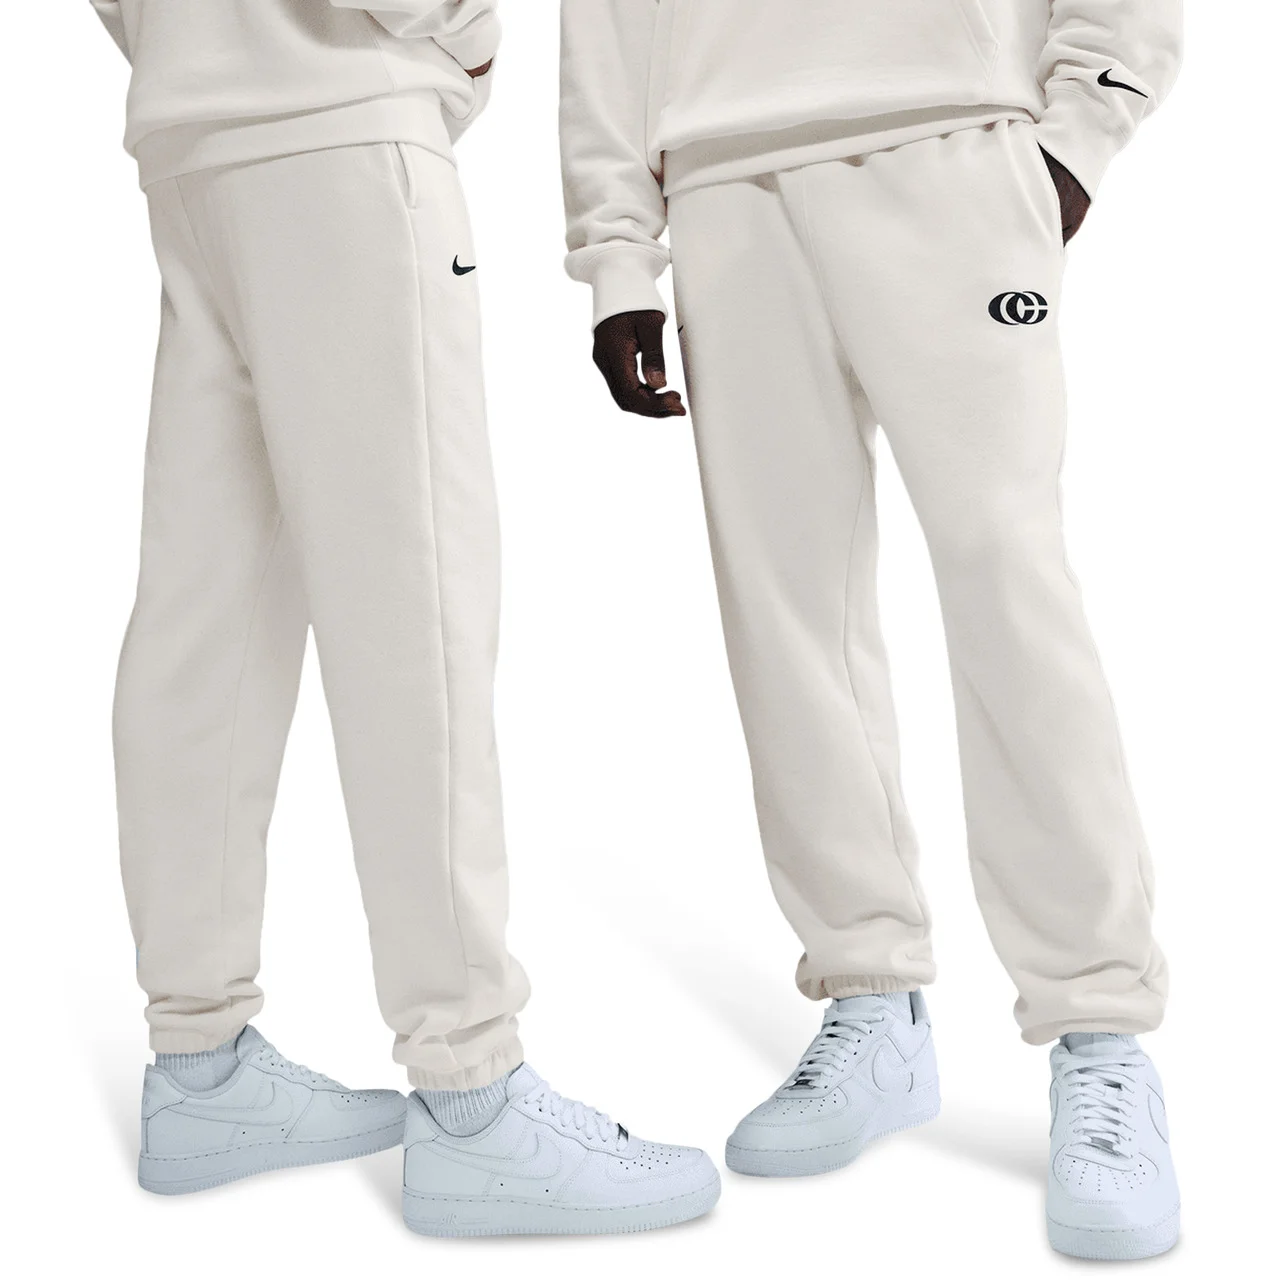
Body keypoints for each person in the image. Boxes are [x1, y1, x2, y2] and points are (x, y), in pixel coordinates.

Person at [560, 0, 1181, 1260]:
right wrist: (615, 246)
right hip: (721, 175)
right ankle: (869, 993)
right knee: (784, 605)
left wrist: (1079, 130)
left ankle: (1098, 1028)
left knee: (1006, 581)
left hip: (948, 141)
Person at [91, 0, 718, 1236]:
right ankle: (469, 1087)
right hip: (344, 133)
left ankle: (198, 1060)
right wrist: (457, 33)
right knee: (412, 611)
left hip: (190, 143)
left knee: (204, 618)